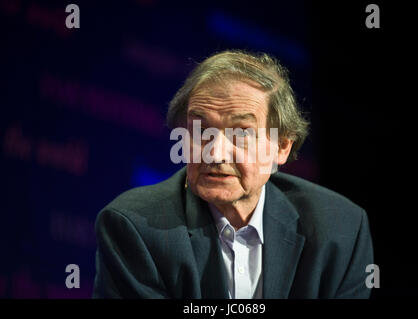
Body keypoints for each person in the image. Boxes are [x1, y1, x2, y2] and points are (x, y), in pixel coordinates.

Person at [92, 50, 374, 299]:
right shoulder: (134, 227)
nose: (215, 154)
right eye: (201, 131)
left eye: (241, 134)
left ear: (282, 147)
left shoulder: (339, 229)